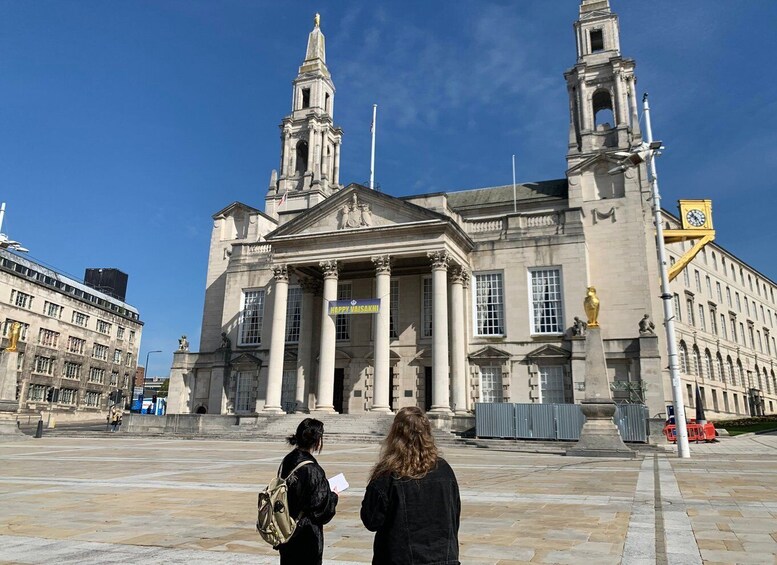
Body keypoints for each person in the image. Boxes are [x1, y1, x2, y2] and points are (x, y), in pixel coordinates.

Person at [361, 406, 461, 565]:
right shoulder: (445, 470)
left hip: (400, 558)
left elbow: (371, 520)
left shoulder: (387, 474)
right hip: (443, 559)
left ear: (394, 434)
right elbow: (454, 516)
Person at [276, 418, 339, 565]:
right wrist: (334, 496)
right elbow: (321, 511)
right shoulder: (313, 470)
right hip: (306, 535)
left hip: (286, 528)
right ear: (318, 441)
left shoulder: (288, 460)